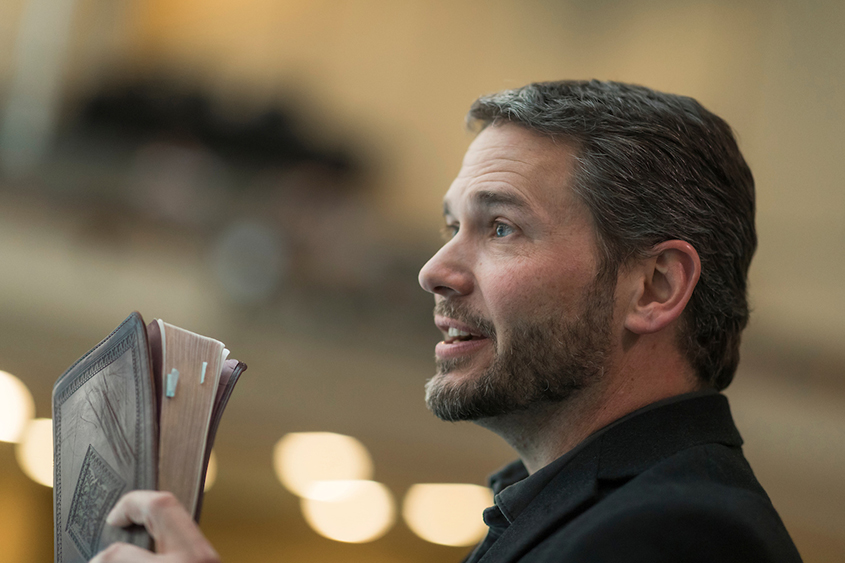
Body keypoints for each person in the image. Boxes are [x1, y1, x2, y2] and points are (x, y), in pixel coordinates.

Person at [91, 80, 802, 563]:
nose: (435, 269)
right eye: (449, 225)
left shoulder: (679, 534)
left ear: (654, 285)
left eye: (499, 228)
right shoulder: (580, 512)